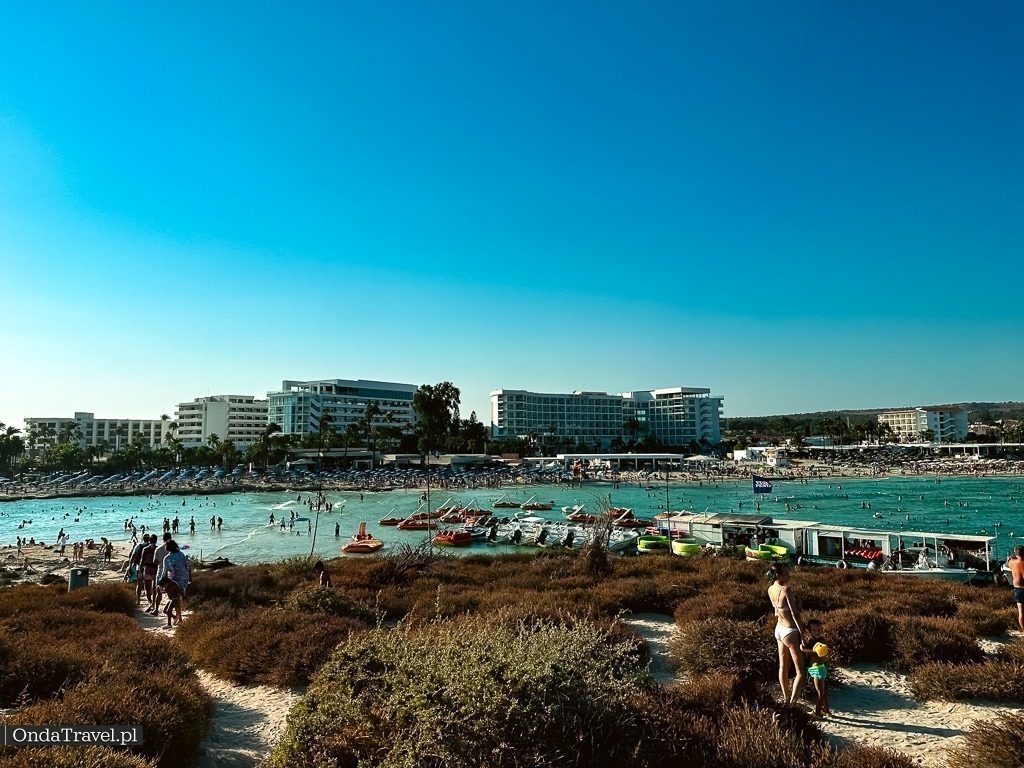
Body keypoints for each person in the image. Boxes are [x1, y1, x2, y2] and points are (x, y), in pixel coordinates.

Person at [768, 562, 806, 705]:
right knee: (801, 671)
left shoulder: (770, 589)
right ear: (777, 575)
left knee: (783, 666)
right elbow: (795, 614)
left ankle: (785, 697)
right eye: (785, 573)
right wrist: (802, 634)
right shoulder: (786, 590)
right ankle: (792, 703)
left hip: (779, 629)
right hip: (790, 631)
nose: (788, 576)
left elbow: (776, 611)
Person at [801, 619, 830, 717]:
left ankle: (817, 713)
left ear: (822, 629)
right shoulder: (813, 641)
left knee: (820, 692)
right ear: (810, 631)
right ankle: (826, 710)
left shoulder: (821, 641)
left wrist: (804, 650)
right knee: (823, 690)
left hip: (819, 669)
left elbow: (817, 654)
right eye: (814, 630)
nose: (817, 632)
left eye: (819, 630)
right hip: (817, 668)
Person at [1007, 546, 1024, 632]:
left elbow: (1010, 563)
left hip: (1018, 588)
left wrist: (1013, 558)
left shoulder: (1011, 562)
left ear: (1016, 553)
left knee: (1021, 612)